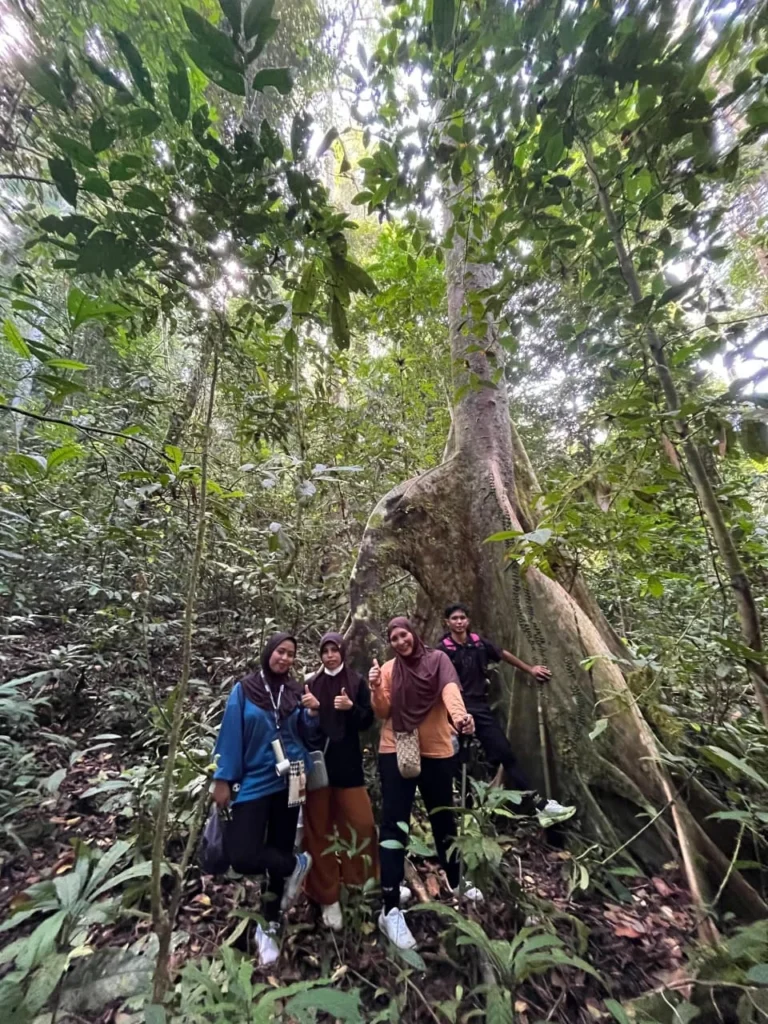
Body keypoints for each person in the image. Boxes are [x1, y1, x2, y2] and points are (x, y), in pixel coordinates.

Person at [370, 616, 482, 951]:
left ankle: (456, 879)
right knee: (394, 826)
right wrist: (375, 686)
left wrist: (460, 717)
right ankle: (390, 907)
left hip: (435, 749)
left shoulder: (438, 660)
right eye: (394, 638)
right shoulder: (390, 669)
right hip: (396, 751)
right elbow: (383, 710)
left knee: (443, 817)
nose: (400, 641)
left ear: (413, 634)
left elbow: (449, 690)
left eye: (403, 635)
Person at [211, 632, 315, 966]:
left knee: (282, 842)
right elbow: (230, 732)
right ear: (268, 652)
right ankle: (295, 864)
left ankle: (270, 922)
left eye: (291, 654)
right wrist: (222, 777)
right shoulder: (245, 690)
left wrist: (312, 715)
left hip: (295, 774)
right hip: (256, 778)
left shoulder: (297, 691)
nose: (284, 658)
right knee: (242, 855)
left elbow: (306, 734)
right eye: (280, 652)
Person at [436, 603, 574, 821]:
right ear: (447, 622)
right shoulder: (443, 650)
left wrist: (530, 669)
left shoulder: (478, 643)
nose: (459, 622)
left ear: (468, 620)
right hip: (456, 710)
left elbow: (502, 654)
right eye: (454, 618)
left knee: (504, 753)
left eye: (462, 617)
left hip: (480, 708)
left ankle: (538, 803)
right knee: (458, 760)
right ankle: (465, 811)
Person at [300, 632, 378, 933]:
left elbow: (367, 721)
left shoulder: (356, 681)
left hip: (348, 767)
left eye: (335, 650)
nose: (330, 655)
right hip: (318, 768)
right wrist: (312, 711)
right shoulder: (311, 682)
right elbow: (302, 730)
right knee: (318, 830)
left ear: (343, 652)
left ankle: (360, 881)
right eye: (326, 650)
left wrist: (351, 708)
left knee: (361, 824)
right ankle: (327, 894)